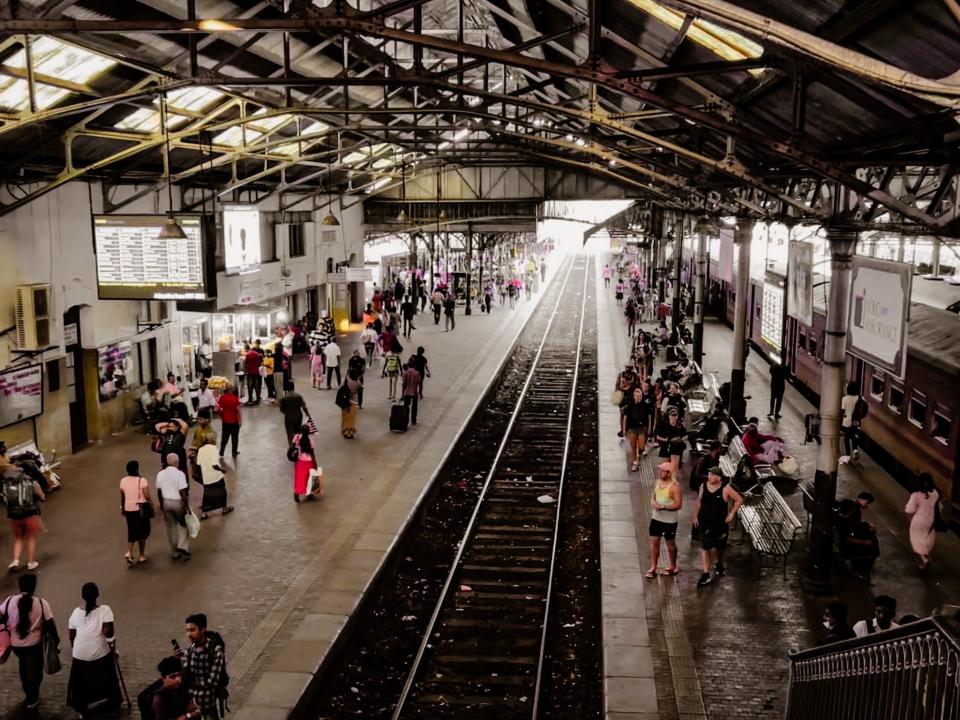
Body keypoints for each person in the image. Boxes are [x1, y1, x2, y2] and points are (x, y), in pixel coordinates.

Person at [3, 573, 57, 712]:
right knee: (35, 671)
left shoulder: (10, 601)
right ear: (34, 586)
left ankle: (28, 693)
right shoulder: (40, 603)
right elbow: (50, 624)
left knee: (23, 666)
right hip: (34, 645)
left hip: (16, 645)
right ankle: (32, 697)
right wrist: (56, 641)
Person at [67, 582, 121, 717]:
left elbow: (72, 634)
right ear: (97, 595)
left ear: (82, 596)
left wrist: (75, 647)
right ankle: (113, 700)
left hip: (79, 655)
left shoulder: (75, 612)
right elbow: (108, 633)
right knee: (109, 672)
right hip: (99, 654)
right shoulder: (105, 610)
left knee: (80, 682)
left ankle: (81, 707)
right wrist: (114, 649)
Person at [693, 467, 743, 586]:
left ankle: (719, 562)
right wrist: (695, 515)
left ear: (719, 478)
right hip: (705, 524)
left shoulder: (726, 489)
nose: (710, 477)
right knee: (705, 547)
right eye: (709, 474)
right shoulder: (703, 486)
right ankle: (706, 573)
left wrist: (731, 514)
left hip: (720, 525)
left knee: (719, 548)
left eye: (712, 475)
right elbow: (698, 501)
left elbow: (739, 500)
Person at [183, 614, 228, 720]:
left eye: (192, 630)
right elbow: (188, 676)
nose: (189, 634)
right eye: (187, 630)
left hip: (207, 707)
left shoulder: (215, 650)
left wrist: (194, 685)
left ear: (203, 630)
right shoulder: (191, 649)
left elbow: (212, 682)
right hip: (191, 706)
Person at [3, 464, 45, 571]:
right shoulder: (30, 481)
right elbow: (41, 495)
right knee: (31, 537)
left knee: (18, 538)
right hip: (29, 513)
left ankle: (15, 560)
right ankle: (31, 562)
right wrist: (41, 496)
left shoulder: (6, 483)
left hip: (14, 515)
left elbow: (5, 500)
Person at [646, 462, 682, 578]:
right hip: (656, 518)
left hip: (669, 521)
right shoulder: (657, 483)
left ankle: (672, 565)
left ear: (669, 473)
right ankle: (653, 567)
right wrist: (654, 504)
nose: (660, 472)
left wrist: (663, 507)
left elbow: (678, 504)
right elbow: (653, 497)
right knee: (654, 542)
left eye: (662, 470)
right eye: (660, 470)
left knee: (670, 544)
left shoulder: (675, 487)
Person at [156, 454, 191, 560]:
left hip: (166, 502)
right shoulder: (180, 474)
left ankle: (174, 551)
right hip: (178, 503)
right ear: (176, 462)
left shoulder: (160, 474)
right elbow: (182, 492)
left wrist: (162, 505)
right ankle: (183, 547)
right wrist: (187, 506)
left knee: (171, 528)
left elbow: (159, 490)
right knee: (183, 524)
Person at [905, 473, 940, 571]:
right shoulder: (935, 493)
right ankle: (924, 562)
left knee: (916, 542)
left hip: (919, 521)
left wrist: (910, 521)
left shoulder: (916, 495)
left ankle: (923, 560)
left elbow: (909, 510)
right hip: (931, 521)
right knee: (926, 542)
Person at [120, 460, 152, 565]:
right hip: (140, 509)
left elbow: (123, 496)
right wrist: (151, 502)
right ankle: (141, 555)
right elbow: (146, 495)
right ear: (137, 469)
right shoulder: (142, 480)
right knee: (142, 533)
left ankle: (129, 552)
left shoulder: (123, 481)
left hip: (128, 509)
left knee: (132, 530)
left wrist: (122, 508)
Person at [152, 656, 200, 720]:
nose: (178, 679)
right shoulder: (160, 698)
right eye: (173, 677)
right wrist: (189, 715)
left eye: (179, 675)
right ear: (163, 679)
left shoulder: (180, 690)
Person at [197, 436, 233, 520]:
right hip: (216, 476)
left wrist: (202, 475)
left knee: (207, 495)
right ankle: (224, 508)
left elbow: (198, 464)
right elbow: (214, 465)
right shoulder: (213, 448)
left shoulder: (201, 449)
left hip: (206, 477)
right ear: (212, 440)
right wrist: (222, 470)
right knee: (222, 492)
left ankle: (204, 513)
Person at [624, 386, 651, 471]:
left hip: (641, 428)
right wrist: (624, 429)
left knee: (641, 447)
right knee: (633, 446)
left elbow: (649, 417)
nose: (639, 397)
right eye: (637, 395)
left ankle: (639, 453)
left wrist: (649, 428)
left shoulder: (645, 405)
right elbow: (625, 417)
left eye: (640, 395)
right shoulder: (630, 405)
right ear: (634, 396)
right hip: (632, 428)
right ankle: (635, 462)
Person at [840, 382, 867, 463]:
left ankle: (848, 455)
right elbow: (865, 410)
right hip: (856, 422)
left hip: (846, 422)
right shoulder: (860, 398)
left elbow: (842, 411)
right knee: (853, 436)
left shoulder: (844, 399)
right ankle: (855, 451)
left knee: (846, 438)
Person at [655, 408, 687, 476]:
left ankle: (672, 483)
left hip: (676, 447)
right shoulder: (663, 425)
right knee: (663, 469)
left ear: (677, 416)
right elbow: (658, 436)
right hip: (666, 446)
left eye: (675, 416)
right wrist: (667, 440)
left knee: (674, 468)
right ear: (669, 416)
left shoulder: (680, 426)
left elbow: (685, 435)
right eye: (672, 415)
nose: (674, 417)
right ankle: (661, 482)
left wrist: (680, 439)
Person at [291, 425, 318, 502]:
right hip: (309, 462)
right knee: (309, 479)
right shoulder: (310, 440)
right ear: (309, 431)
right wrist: (315, 464)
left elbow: (292, 447)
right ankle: (309, 494)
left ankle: (296, 493)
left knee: (300, 479)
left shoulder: (297, 437)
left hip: (300, 462)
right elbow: (312, 453)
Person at [278, 380, 309, 444]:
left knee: (290, 434)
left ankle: (292, 447)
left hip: (288, 417)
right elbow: (304, 407)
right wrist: (307, 414)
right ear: (293, 387)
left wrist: (286, 413)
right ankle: (298, 446)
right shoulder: (298, 396)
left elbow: (281, 409)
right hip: (298, 416)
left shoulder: (284, 398)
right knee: (298, 432)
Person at [216, 385, 241, 459]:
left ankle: (221, 451)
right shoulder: (235, 399)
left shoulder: (222, 398)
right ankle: (234, 452)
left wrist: (222, 417)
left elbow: (219, 409)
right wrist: (240, 421)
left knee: (224, 437)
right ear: (231, 390)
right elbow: (238, 411)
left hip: (225, 421)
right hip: (234, 421)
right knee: (235, 437)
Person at [189, 410, 217, 479]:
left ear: (207, 420)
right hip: (196, 458)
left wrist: (196, 448)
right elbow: (194, 440)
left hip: (205, 460)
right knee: (195, 476)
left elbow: (210, 449)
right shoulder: (198, 429)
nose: (198, 421)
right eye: (198, 419)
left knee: (205, 478)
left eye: (200, 419)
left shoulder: (210, 433)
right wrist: (191, 451)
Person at [341, 370, 362, 439]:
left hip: (345, 401)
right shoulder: (358, 382)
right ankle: (350, 433)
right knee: (352, 420)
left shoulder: (347, 380)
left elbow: (342, 387)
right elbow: (361, 389)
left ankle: (344, 431)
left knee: (345, 418)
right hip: (354, 401)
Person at [401, 362, 421, 426]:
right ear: (414, 365)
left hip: (407, 392)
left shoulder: (405, 372)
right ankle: (413, 420)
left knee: (406, 407)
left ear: (409, 365)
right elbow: (419, 382)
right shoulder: (417, 373)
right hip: (415, 392)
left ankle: (405, 420)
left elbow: (404, 383)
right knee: (414, 407)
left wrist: (402, 394)